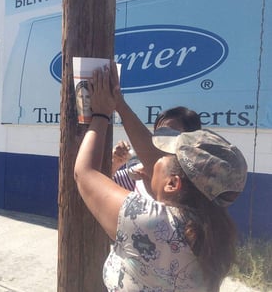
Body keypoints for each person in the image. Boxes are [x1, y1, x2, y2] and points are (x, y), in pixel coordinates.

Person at [74, 63, 248, 291]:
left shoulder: (151, 222)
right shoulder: (214, 229)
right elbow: (156, 158)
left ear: (173, 183)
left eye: (167, 154)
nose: (157, 157)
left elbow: (85, 173)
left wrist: (100, 114)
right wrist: (119, 104)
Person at [112, 106, 202, 193]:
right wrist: (116, 163)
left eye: (170, 134)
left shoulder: (202, 178)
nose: (161, 141)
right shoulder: (141, 169)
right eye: (158, 134)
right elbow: (104, 185)